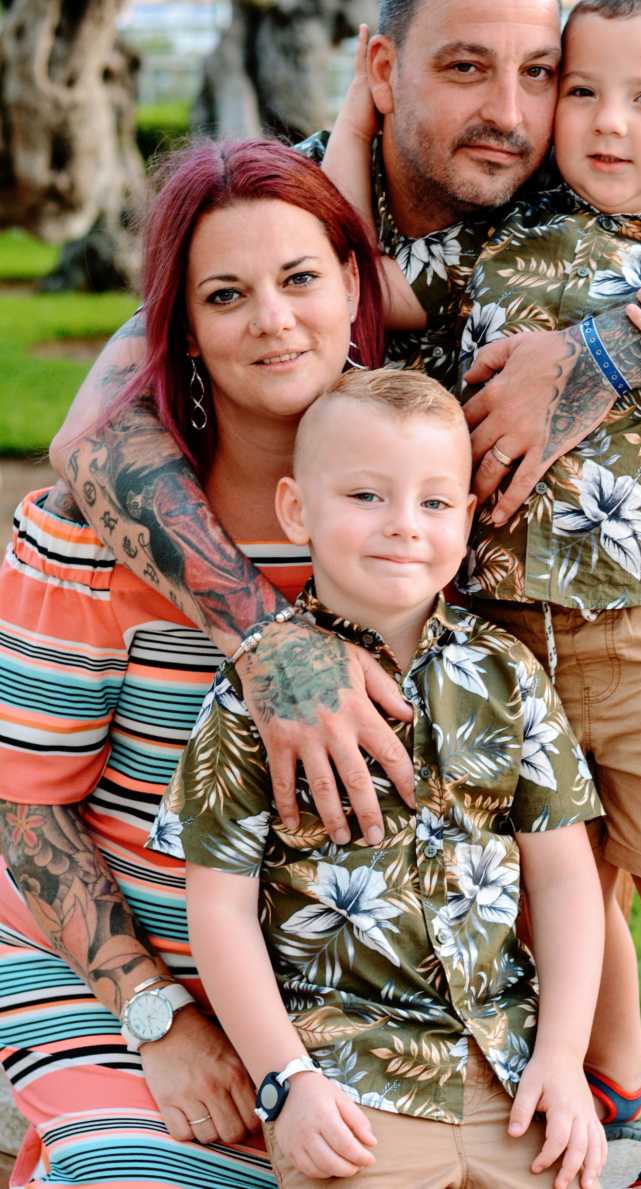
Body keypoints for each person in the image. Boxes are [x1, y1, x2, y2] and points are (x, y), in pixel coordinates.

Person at [47, 0, 641, 1151]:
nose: (520, 107)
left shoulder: (592, 191)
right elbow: (94, 439)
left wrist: (597, 359)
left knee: (606, 852)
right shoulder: (280, 223)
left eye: (541, 69)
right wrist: (275, 645)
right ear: (381, 72)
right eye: (463, 66)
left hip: (563, 653)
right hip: (349, 789)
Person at [327, 0, 641, 1187]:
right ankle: (606, 1067)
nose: (602, 120)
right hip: (504, 630)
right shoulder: (498, 233)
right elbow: (360, 279)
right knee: (560, 870)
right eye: (581, 88)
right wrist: (350, 119)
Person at [0, 139, 387, 1188]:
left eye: (302, 278)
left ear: (354, 286)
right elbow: (26, 809)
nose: (273, 319)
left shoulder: (422, 510)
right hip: (112, 969)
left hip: (353, 993)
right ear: (181, 330)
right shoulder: (90, 534)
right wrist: (157, 1014)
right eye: (228, 294)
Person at [149, 367, 608, 1189]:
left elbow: (568, 879)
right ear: (298, 509)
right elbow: (217, 908)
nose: (403, 526)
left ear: (466, 519)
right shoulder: (264, 697)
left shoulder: (505, 673)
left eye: (434, 503)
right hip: (353, 1085)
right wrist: (286, 1081)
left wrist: (565, 1058)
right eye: (366, 496)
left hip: (510, 1073)